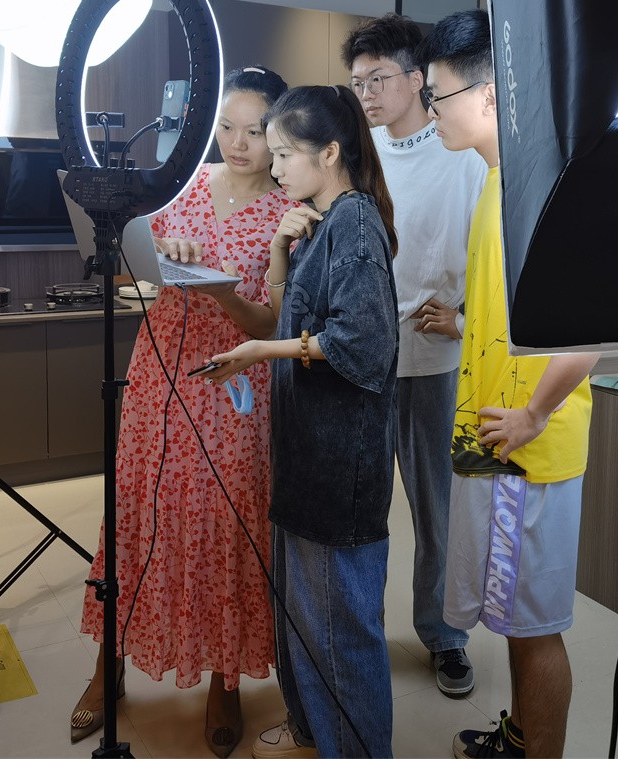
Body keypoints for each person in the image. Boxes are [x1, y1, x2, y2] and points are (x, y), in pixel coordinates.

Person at [71, 66, 292, 758]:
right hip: (160, 370)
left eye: (254, 131)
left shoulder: (290, 210)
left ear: (280, 134)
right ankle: (107, 665)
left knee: (226, 522)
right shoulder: (180, 186)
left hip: (234, 382)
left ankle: (225, 678)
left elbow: (274, 321)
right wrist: (156, 250)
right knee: (138, 512)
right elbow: (124, 263)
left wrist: (222, 291)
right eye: (226, 127)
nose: (237, 143)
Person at [417, 9, 600, 759]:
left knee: (534, 628)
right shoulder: (497, 181)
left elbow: (590, 330)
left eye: (438, 94)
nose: (431, 109)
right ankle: (520, 738)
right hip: (494, 436)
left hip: (524, 446)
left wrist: (532, 413)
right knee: (515, 622)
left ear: (489, 94)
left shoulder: (539, 187)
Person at [204, 84, 400, 759]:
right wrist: (280, 253)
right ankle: (314, 730)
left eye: (286, 153)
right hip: (305, 454)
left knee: (340, 633)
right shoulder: (321, 218)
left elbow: (362, 345)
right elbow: (293, 313)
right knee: (308, 623)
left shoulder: (355, 221)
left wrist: (260, 352)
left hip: (338, 463)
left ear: (331, 152)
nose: (275, 166)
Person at [341, 13, 488, 697]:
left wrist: (464, 318)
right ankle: (357, 637)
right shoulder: (356, 152)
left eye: (378, 78)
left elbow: (493, 252)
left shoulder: (461, 149)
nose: (367, 93)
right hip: (363, 361)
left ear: (416, 77)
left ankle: (445, 635)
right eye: (358, 82)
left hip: (434, 361)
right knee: (361, 510)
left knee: (439, 511)